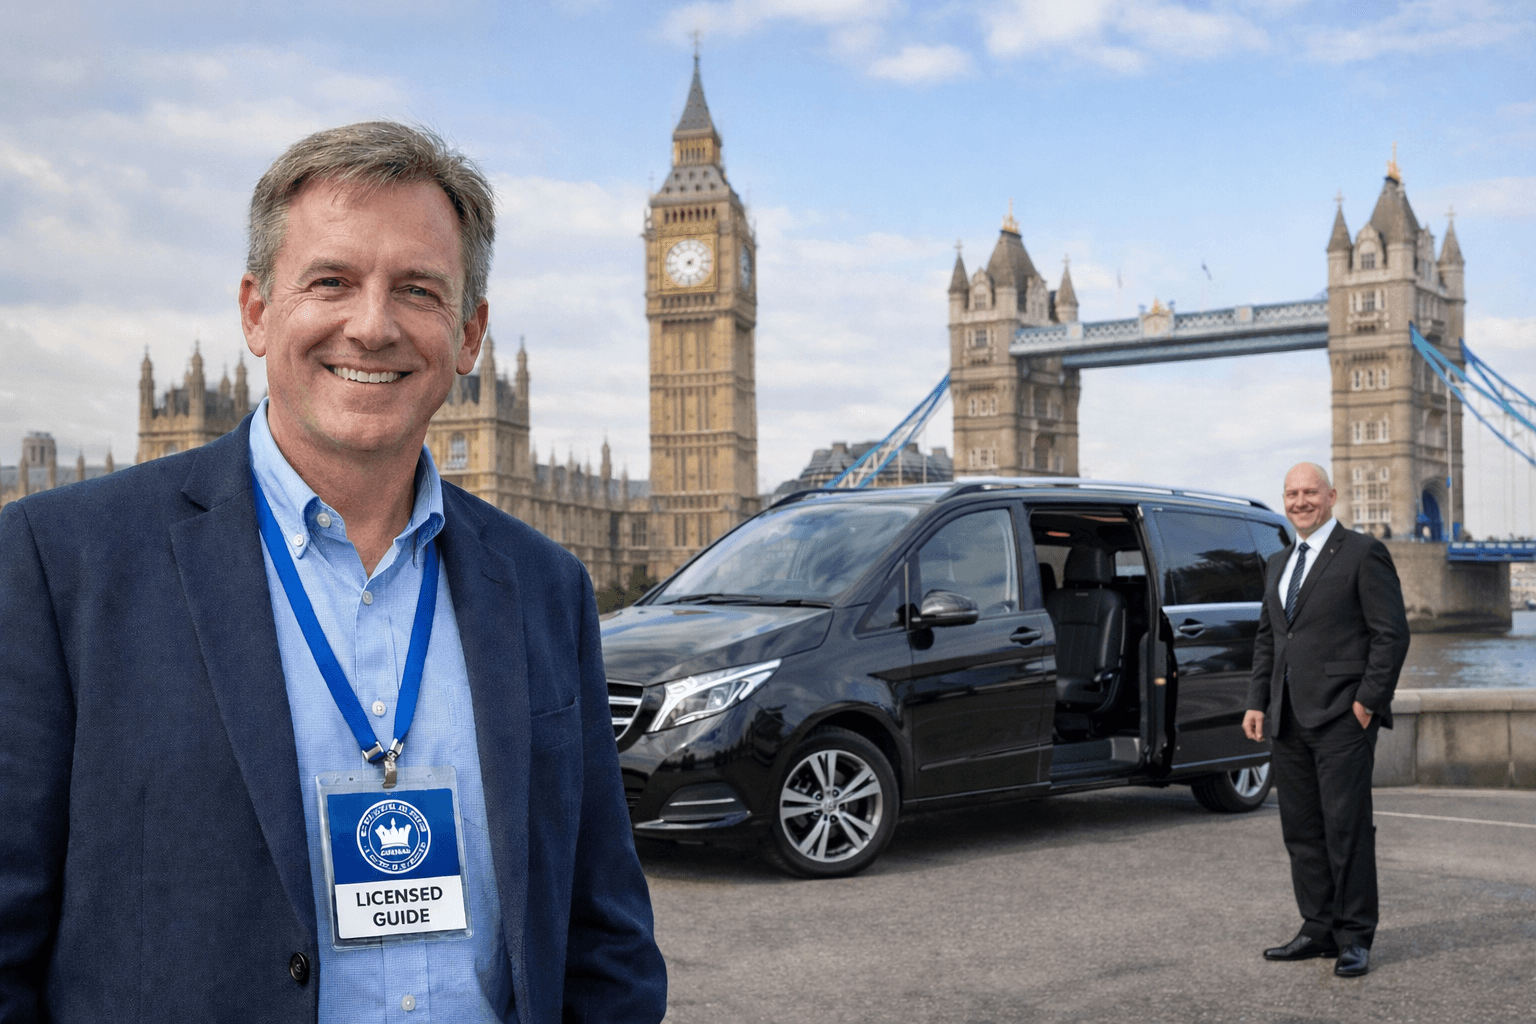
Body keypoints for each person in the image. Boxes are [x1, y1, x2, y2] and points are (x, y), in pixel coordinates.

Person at [0, 122, 666, 1023]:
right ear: (255, 311)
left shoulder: (546, 586)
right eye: (331, 281)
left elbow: (603, 937)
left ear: (469, 338)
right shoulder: (62, 565)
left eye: (419, 290)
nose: (373, 324)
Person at [1245, 461, 1410, 979]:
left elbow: (1391, 635)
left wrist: (1366, 702)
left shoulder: (1363, 553)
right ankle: (1317, 929)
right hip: (1287, 718)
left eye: (1309, 492)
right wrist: (1257, 701)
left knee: (1348, 830)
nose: (1300, 501)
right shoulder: (1277, 563)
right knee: (1302, 831)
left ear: (1332, 496)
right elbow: (1270, 639)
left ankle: (1355, 936)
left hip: (1342, 715)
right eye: (1291, 493)